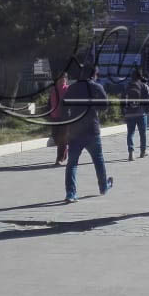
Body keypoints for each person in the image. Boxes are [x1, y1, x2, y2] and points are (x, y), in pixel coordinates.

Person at [61, 65, 114, 203]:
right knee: (98, 160)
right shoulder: (97, 87)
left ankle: (71, 193)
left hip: (75, 131)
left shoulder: (72, 88)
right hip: (92, 130)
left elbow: (63, 107)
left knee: (72, 163)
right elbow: (105, 106)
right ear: (93, 74)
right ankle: (103, 187)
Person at [123, 69, 149, 161]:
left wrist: (123, 112)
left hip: (129, 113)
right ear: (140, 76)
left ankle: (131, 153)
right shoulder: (144, 86)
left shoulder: (127, 86)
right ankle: (143, 151)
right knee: (142, 133)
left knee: (130, 133)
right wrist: (148, 111)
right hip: (141, 113)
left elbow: (122, 100)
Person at [50, 72, 70, 166]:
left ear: (66, 79)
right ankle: (64, 149)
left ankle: (59, 159)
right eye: (60, 78)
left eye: (63, 78)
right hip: (54, 117)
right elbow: (49, 102)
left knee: (61, 139)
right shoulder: (53, 89)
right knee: (55, 137)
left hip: (64, 118)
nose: (62, 79)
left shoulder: (68, 89)